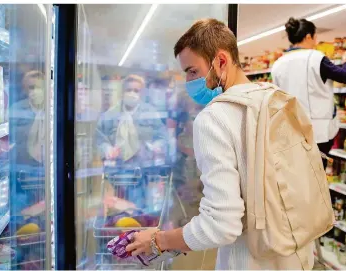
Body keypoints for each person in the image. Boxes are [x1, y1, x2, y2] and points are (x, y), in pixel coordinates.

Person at [125, 19, 316, 270]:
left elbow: (221, 225)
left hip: (252, 260)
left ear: (221, 61)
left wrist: (159, 240)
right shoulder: (277, 100)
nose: (189, 81)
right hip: (297, 254)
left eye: (192, 71)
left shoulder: (214, 117)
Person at [271, 17, 346, 159]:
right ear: (308, 36)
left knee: (298, 172)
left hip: (290, 130)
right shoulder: (316, 58)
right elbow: (344, 76)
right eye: (315, 37)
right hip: (318, 132)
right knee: (317, 172)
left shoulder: (278, 64)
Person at [95, 74, 167, 168]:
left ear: (142, 94)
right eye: (128, 90)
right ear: (122, 92)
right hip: (118, 168)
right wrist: (108, 150)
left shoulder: (150, 113)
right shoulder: (110, 114)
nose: (132, 93)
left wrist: (157, 146)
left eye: (136, 91)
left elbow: (162, 135)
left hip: (145, 167)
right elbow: (100, 138)